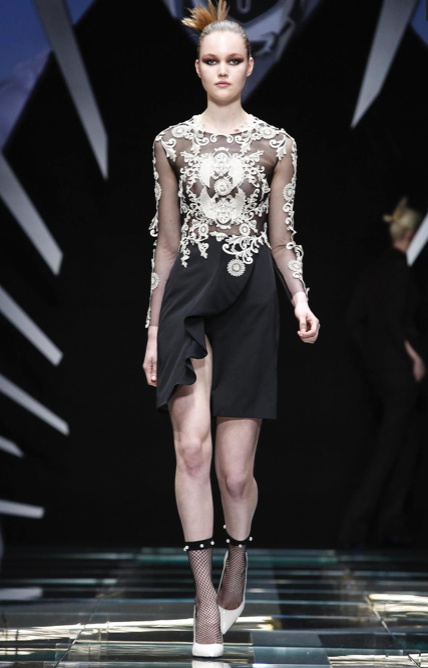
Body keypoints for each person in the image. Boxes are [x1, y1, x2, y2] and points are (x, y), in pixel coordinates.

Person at [142, 0, 320, 657]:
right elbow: (165, 244)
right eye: (211, 60)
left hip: (251, 301)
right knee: (191, 452)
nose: (222, 69)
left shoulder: (277, 144)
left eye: (233, 60)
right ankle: (203, 601)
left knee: (235, 474)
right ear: (198, 68)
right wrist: (152, 330)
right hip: (188, 296)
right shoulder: (171, 142)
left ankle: (237, 553)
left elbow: (282, 237)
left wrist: (300, 299)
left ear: (250, 65)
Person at [340, 196, 426, 548]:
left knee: (405, 443)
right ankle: (358, 527)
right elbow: (393, 319)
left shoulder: (375, 269)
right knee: (391, 449)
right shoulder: (400, 268)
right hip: (398, 372)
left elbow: (354, 320)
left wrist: (373, 357)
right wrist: (413, 357)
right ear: (410, 234)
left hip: (380, 371)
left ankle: (387, 523)